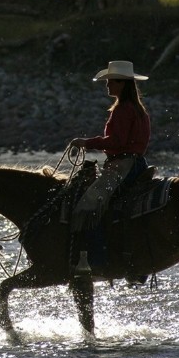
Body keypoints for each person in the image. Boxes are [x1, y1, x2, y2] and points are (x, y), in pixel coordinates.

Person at [68, 60, 151, 234]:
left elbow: (116, 142)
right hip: (137, 163)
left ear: (122, 84)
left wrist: (87, 143)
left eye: (111, 81)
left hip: (124, 166)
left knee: (90, 205)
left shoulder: (122, 109)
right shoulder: (138, 109)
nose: (107, 85)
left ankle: (95, 256)